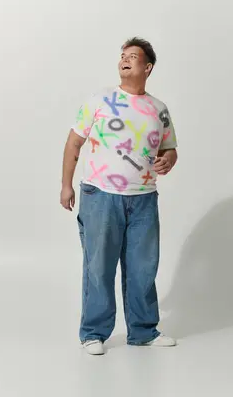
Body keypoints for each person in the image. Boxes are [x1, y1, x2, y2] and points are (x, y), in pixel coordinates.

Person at [60, 37, 179, 355]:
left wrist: (168, 159)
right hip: (101, 195)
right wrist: (66, 185)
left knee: (143, 267)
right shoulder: (99, 100)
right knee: (98, 266)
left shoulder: (159, 109)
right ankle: (93, 332)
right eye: (122, 56)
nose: (124, 60)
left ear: (147, 67)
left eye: (133, 56)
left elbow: (170, 149)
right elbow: (74, 144)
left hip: (144, 198)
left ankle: (143, 331)